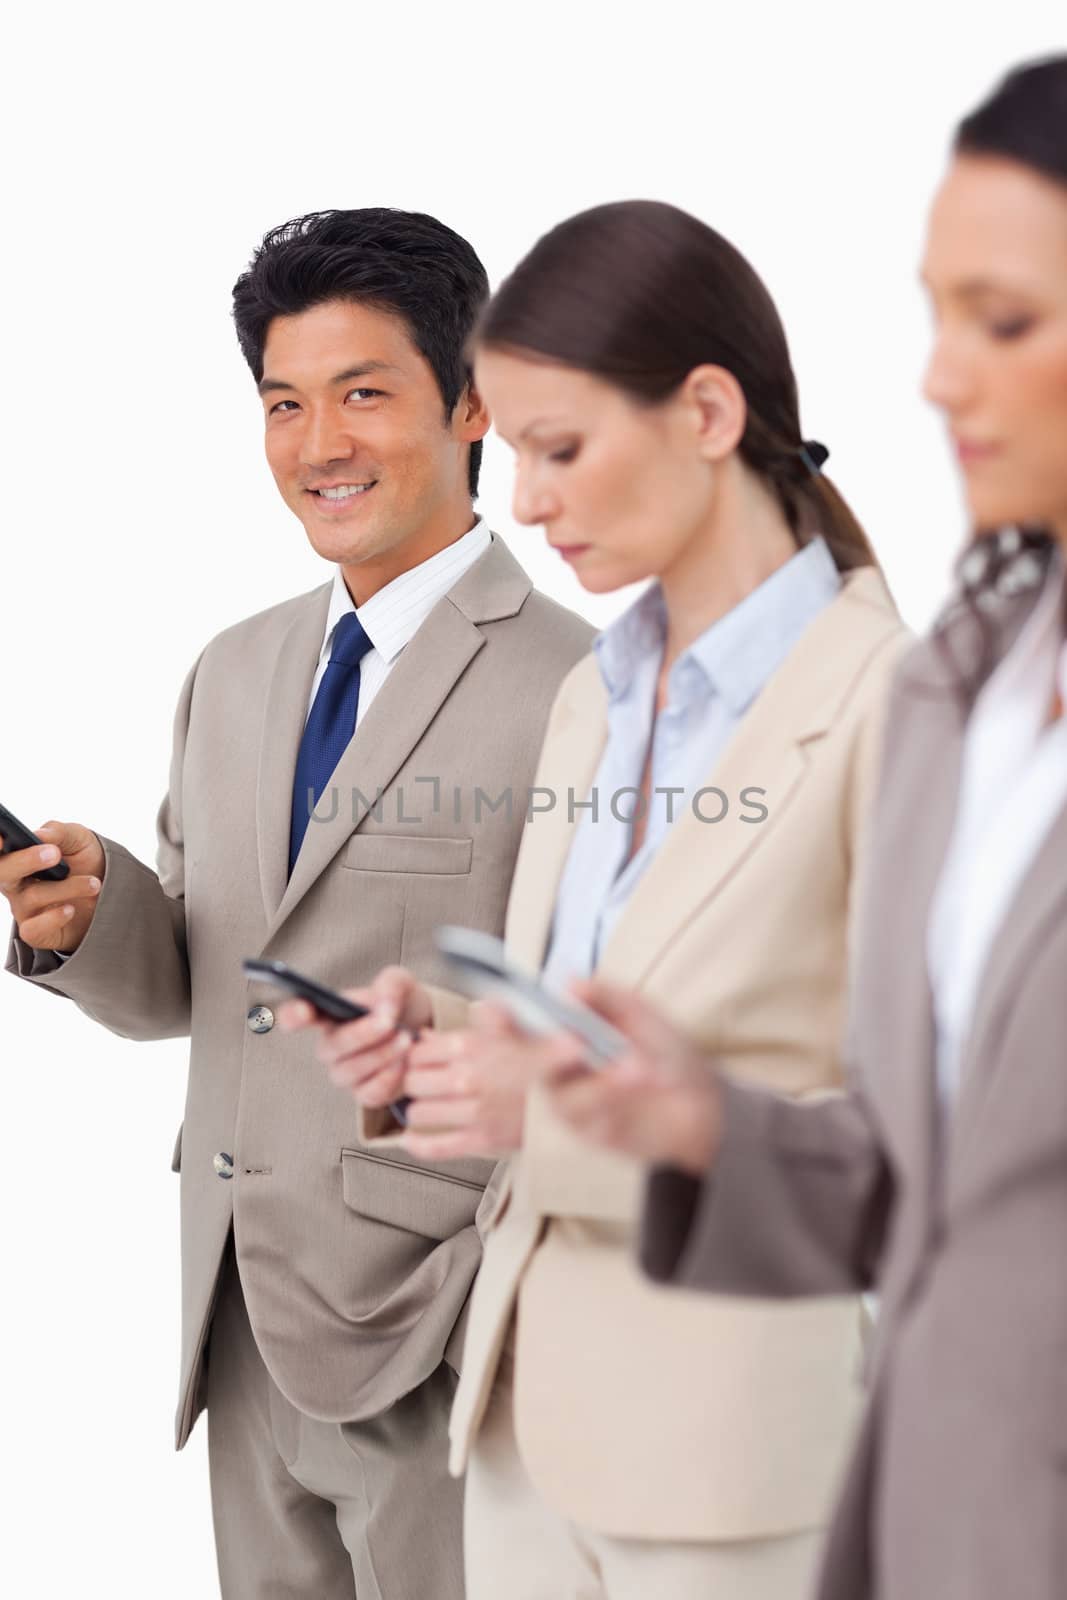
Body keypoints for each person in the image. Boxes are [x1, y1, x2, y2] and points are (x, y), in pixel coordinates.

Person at [289, 199, 911, 1599]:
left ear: (704, 411)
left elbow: (925, 1152)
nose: (524, 503)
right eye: (512, 456)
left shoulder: (900, 708)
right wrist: (441, 1036)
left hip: (733, 1472)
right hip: (515, 1438)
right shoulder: (596, 694)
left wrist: (554, 1118)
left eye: (559, 451)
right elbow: (589, 1016)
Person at [0, 207, 593, 1598]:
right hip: (235, 1323)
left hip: (439, 1344)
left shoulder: (588, 689)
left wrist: (480, 1330)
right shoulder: (235, 668)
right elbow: (198, 991)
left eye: (364, 393)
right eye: (284, 403)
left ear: (471, 405)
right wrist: (90, 926)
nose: (319, 444)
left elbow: (596, 1036)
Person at [536, 56, 1067, 1600]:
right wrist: (705, 1121)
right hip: (926, 1526)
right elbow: (940, 1192)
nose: (937, 378)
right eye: (936, 314)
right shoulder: (969, 689)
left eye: (1008, 320)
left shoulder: (873, 680)